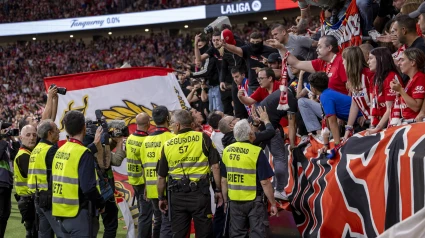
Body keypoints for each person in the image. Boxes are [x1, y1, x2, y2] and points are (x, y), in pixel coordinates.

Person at [157, 109, 223, 238]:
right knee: (204, 233)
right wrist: (218, 190)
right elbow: (215, 166)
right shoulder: (202, 137)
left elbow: (161, 177)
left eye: (172, 124)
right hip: (200, 193)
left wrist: (161, 198)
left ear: (178, 125)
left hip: (177, 195)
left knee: (179, 234)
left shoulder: (167, 145)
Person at [51, 110, 105, 237]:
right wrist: (100, 203)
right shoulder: (83, 153)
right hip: (79, 214)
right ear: (84, 128)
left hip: (61, 213)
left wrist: (94, 145)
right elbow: (88, 187)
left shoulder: (60, 150)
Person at [221, 119, 278, 237]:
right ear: (250, 135)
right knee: (257, 233)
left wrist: (226, 201)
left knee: (237, 234)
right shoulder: (256, 152)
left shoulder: (227, 151)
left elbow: (223, 180)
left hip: (234, 200)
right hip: (254, 200)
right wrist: (273, 203)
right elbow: (265, 182)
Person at [267, 35, 349, 95]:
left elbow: (351, 88)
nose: (316, 50)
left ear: (329, 48)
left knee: (325, 95)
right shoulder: (320, 62)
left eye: (320, 47)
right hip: (329, 107)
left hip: (343, 105)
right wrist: (281, 48)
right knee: (303, 103)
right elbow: (296, 63)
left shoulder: (341, 62)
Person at [27, 120, 65, 238]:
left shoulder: (36, 149)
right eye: (56, 130)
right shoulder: (50, 150)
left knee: (44, 234)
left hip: (38, 198)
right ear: (50, 133)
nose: (59, 132)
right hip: (49, 199)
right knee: (62, 233)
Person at [139, 106, 173, 238]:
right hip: (167, 188)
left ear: (152, 120)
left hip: (152, 188)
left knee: (158, 221)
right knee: (168, 223)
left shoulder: (146, 140)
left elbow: (144, 165)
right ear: (168, 118)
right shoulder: (171, 138)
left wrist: (146, 186)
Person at [308, 73, 358, 154]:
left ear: (313, 89)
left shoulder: (325, 96)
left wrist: (337, 144)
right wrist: (326, 144)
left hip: (360, 120)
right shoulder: (326, 93)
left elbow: (332, 121)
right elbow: (326, 120)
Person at [125, 112, 152, 238]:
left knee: (143, 212)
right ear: (148, 124)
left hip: (133, 179)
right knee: (145, 215)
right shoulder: (146, 141)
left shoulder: (130, 138)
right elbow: (146, 164)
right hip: (144, 182)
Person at [341, 47, 375, 140]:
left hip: (376, 122)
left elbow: (374, 101)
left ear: (350, 62)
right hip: (366, 121)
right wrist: (348, 129)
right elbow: (354, 104)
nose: (342, 63)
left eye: (344, 60)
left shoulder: (369, 74)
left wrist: (372, 121)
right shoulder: (352, 79)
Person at [366, 47, 402, 135]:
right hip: (379, 124)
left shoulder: (391, 77)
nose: (368, 62)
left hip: (393, 125)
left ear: (380, 59)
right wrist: (372, 126)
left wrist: (376, 129)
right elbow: (372, 105)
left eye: (371, 58)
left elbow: (390, 108)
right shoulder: (374, 78)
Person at [14, 125, 38, 238]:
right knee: (33, 233)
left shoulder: (27, 153)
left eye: (34, 134)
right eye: (28, 135)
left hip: (27, 200)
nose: (32, 138)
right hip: (29, 201)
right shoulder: (24, 156)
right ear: (21, 137)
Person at [391, 48, 425, 123]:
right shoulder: (411, 79)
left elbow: (416, 107)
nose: (399, 63)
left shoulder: (420, 78)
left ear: (412, 62)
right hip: (408, 122)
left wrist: (401, 90)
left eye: (402, 60)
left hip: (415, 123)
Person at [191, 33, 223, 112]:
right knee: (212, 111)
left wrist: (191, 74)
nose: (199, 49)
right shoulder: (206, 55)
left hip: (217, 86)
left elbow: (206, 72)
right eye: (197, 47)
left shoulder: (210, 53)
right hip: (210, 86)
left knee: (218, 112)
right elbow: (198, 59)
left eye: (200, 46)